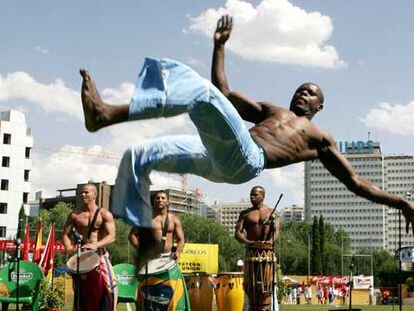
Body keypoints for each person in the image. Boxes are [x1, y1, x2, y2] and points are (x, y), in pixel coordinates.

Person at [80, 15, 414, 250]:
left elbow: (355, 181)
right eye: (300, 88)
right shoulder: (272, 110)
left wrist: (401, 203)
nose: (303, 92)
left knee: (200, 94)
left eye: (311, 92)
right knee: (150, 149)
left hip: (248, 159)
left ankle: (105, 114)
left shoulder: (319, 137)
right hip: (220, 162)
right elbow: (224, 90)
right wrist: (219, 46)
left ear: (319, 106)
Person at [62, 184, 117, 311]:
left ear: (94, 195)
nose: (83, 195)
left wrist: (96, 244)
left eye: (86, 192)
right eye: (81, 193)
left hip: (100, 254)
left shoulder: (104, 214)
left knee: (110, 286)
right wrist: (69, 248)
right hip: (82, 255)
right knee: (80, 290)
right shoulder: (74, 215)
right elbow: (65, 234)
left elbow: (112, 236)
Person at [235, 186, 280, 311]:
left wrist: (270, 242)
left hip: (267, 253)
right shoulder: (245, 214)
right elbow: (237, 233)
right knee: (250, 285)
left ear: (263, 196)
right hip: (251, 252)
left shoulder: (272, 212)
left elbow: (276, 230)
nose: (252, 197)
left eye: (255, 194)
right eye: (251, 194)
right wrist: (248, 241)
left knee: (269, 285)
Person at [129, 190, 185, 269]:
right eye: (158, 198)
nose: (160, 200)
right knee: (149, 281)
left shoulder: (174, 220)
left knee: (170, 281)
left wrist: (178, 252)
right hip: (150, 258)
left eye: (163, 198)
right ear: (154, 201)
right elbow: (132, 235)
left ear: (167, 202)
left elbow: (181, 239)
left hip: (168, 258)